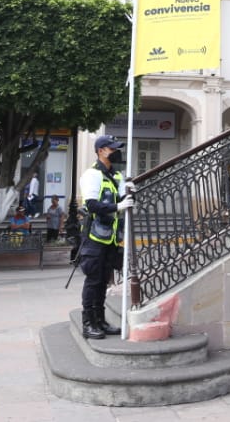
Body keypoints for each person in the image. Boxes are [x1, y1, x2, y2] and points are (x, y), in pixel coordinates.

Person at [76, 135, 132, 340]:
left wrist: (127, 195)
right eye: (112, 149)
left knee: (103, 282)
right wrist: (118, 206)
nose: (116, 152)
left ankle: (100, 320)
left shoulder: (115, 176)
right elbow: (91, 205)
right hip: (95, 238)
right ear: (101, 151)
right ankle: (88, 323)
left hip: (110, 238)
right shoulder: (92, 175)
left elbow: (119, 199)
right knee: (93, 280)